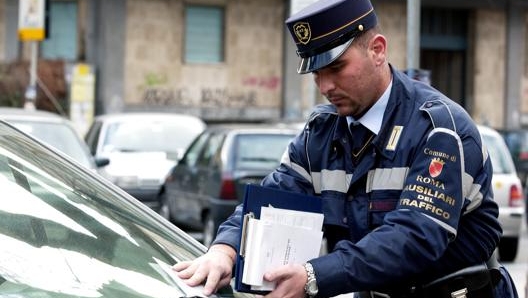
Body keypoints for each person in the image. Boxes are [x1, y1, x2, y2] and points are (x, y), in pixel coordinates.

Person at [173, 0, 519, 297]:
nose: (325, 86)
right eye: (316, 74)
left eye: (336, 68)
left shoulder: (438, 129)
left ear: (378, 49)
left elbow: (415, 236)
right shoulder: (320, 135)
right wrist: (224, 250)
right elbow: (271, 200)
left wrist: (314, 277)